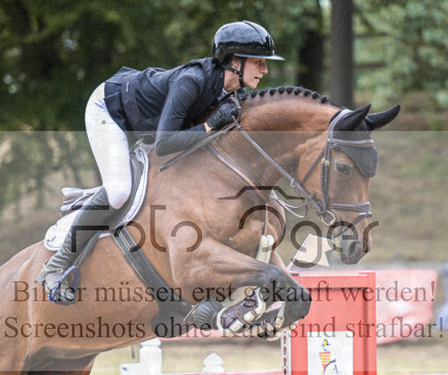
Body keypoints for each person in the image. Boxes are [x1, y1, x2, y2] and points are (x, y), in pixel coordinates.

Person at [38, 20, 284, 301]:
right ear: (234, 62)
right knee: (119, 191)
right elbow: (166, 143)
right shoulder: (191, 81)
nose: (265, 70)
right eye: (259, 62)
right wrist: (209, 126)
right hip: (110, 110)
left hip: (146, 122)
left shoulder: (234, 93)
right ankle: (55, 266)